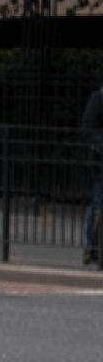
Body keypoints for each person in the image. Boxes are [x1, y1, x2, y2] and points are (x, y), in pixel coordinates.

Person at [82, 85, 103, 264]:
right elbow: (88, 129)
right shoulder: (99, 98)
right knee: (98, 205)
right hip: (101, 162)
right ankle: (91, 247)